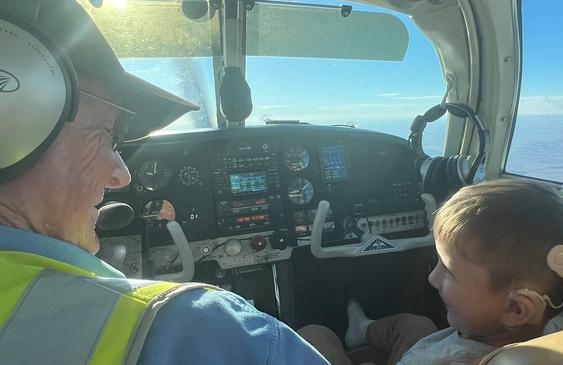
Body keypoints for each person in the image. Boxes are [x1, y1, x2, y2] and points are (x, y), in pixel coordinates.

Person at [0, 1, 328, 364]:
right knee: (319, 334)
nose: (121, 175)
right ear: (14, 115)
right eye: (108, 136)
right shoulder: (192, 324)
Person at [299, 179, 563, 365]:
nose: (432, 278)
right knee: (416, 324)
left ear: (514, 309)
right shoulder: (554, 334)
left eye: (448, 271)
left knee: (314, 335)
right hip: (436, 347)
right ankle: (360, 330)